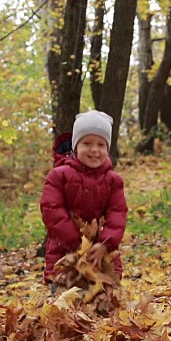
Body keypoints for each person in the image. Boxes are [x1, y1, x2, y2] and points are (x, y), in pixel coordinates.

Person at [40, 110, 128, 285]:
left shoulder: (113, 181)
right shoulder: (58, 176)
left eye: (101, 145)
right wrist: (77, 241)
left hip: (100, 253)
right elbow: (51, 210)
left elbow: (117, 214)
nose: (94, 150)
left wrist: (105, 243)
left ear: (108, 149)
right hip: (64, 251)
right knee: (64, 300)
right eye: (87, 143)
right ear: (75, 147)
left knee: (104, 299)